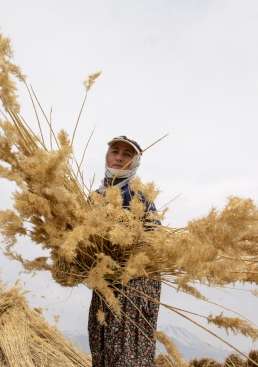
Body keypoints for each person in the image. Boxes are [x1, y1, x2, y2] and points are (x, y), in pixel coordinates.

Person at [88, 135, 162, 367]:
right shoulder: (97, 196)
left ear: (135, 163)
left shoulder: (138, 194)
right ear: (107, 156)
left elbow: (155, 241)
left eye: (127, 154)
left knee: (127, 353)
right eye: (115, 151)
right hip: (107, 281)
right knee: (101, 345)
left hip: (136, 282)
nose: (119, 157)